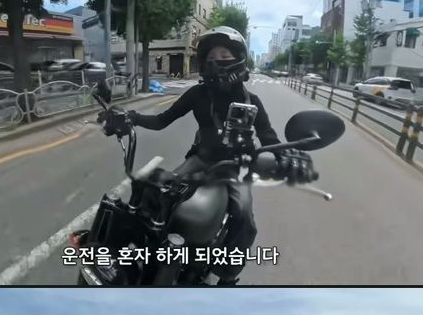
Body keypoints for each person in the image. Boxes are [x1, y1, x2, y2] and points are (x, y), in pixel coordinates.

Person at [106, 26, 315, 285]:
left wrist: (287, 156)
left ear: (239, 58)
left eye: (224, 57)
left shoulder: (252, 101)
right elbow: (161, 120)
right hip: (200, 160)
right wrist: (130, 117)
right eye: (211, 58)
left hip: (235, 168)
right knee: (157, 193)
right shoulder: (197, 94)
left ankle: (227, 277)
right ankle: (148, 254)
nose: (217, 63)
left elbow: (269, 139)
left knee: (244, 218)